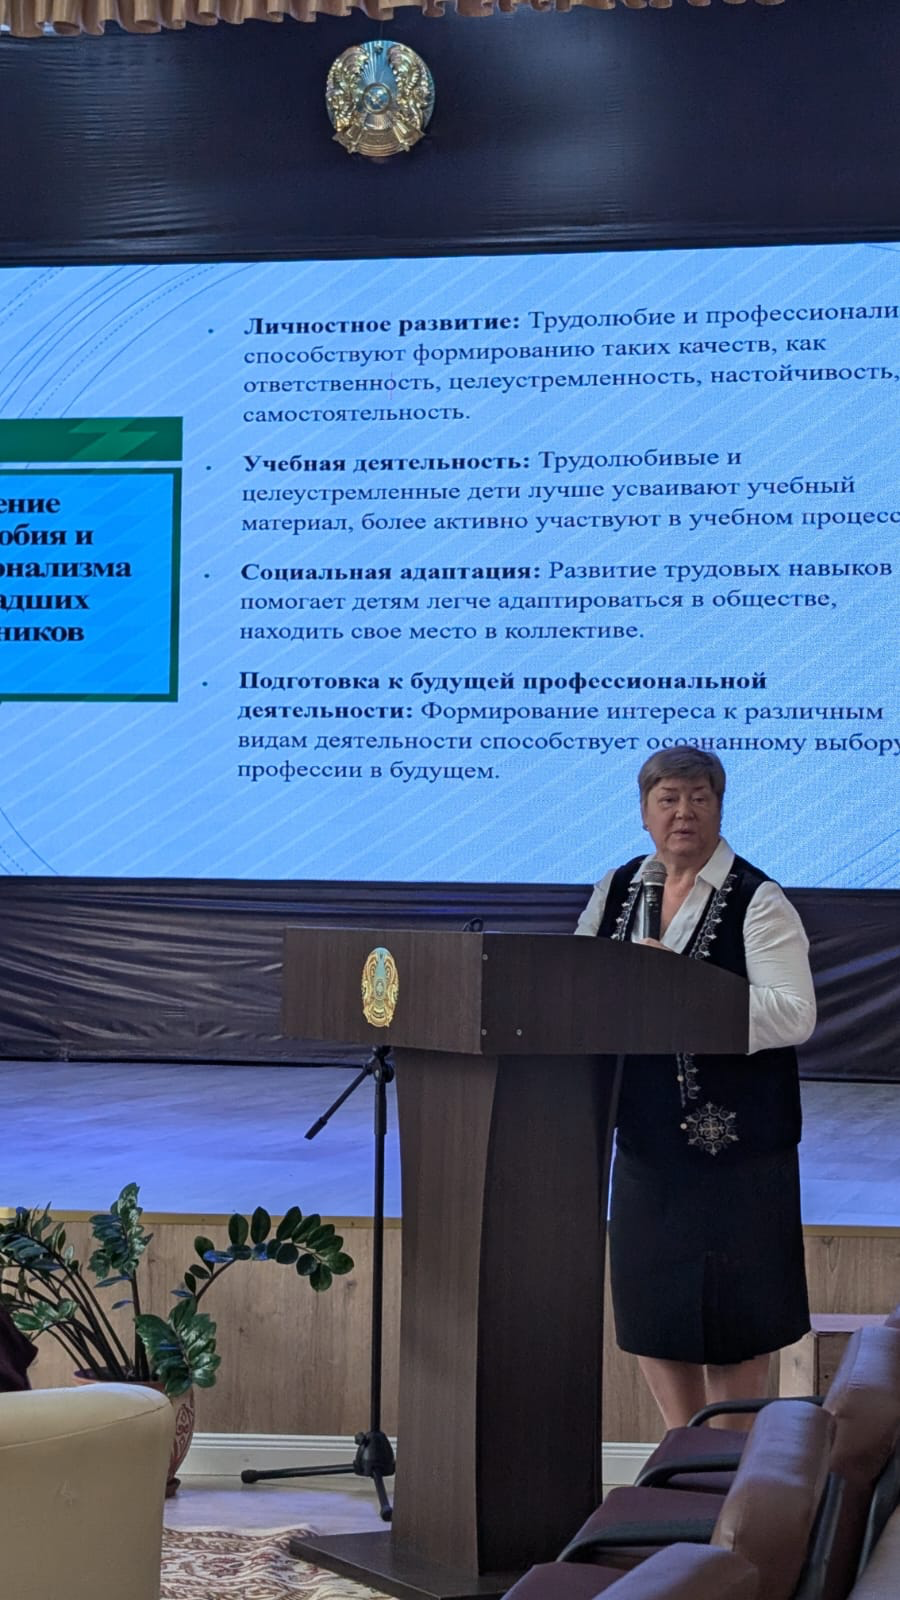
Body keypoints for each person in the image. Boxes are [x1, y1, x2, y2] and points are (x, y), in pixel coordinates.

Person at [575, 745, 816, 1430]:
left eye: (699, 799)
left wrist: (682, 992)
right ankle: (683, 1453)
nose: (683, 813)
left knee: (735, 1319)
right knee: (654, 1312)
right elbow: (579, 985)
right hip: (647, 1140)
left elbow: (794, 1014)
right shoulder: (618, 887)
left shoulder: (758, 899)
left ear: (719, 808)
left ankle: (733, 1468)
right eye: (668, 799)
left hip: (740, 1154)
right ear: (644, 812)